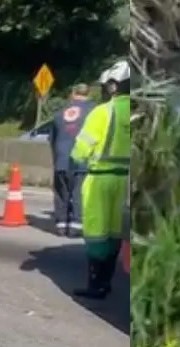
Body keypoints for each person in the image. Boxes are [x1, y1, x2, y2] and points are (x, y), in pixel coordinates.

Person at [70, 60, 132, 299]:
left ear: (114, 86)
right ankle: (107, 279)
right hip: (126, 181)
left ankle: (97, 285)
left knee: (97, 233)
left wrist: (76, 159)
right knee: (117, 231)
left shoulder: (102, 112)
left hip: (100, 179)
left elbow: (81, 150)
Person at [49, 83, 95, 237]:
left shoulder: (60, 112)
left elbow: (52, 139)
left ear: (73, 93)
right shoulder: (94, 111)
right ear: (88, 94)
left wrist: (57, 158)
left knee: (62, 192)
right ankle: (76, 225)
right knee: (79, 193)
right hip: (81, 159)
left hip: (61, 159)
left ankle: (61, 224)